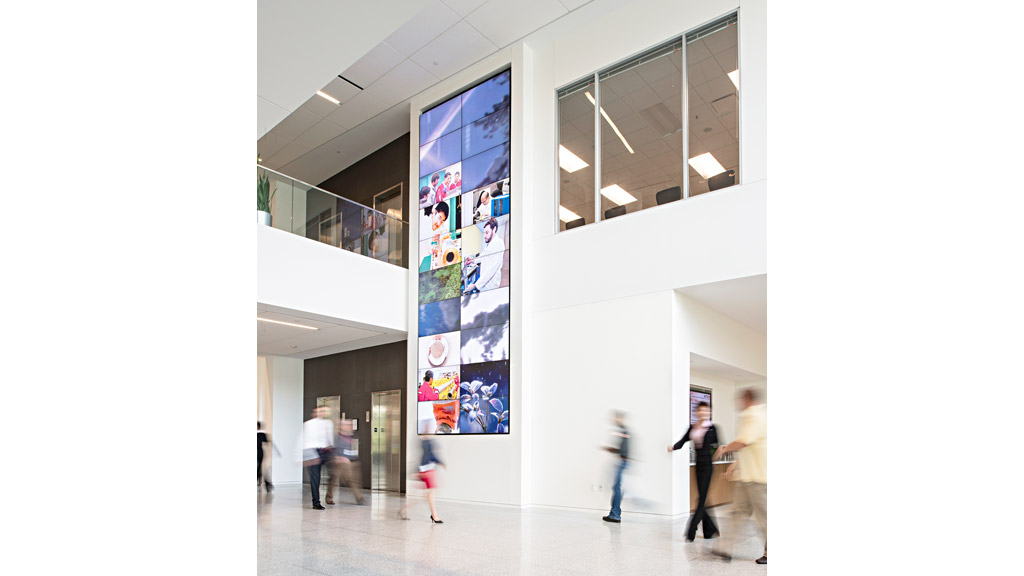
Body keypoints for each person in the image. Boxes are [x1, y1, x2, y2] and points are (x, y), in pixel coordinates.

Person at [713, 389, 767, 565]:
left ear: (747, 400)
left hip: (759, 478)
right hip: (747, 477)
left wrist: (724, 449)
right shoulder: (758, 415)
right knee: (737, 512)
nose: (738, 403)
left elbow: (744, 441)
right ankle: (725, 547)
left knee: (764, 517)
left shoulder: (754, 416)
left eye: (740, 400)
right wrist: (735, 465)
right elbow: (751, 447)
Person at [668, 402, 719, 541]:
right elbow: (683, 440)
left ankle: (691, 530)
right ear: (697, 412)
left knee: (701, 499)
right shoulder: (693, 427)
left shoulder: (712, 428)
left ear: (709, 412)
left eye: (706, 411)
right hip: (698, 465)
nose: (704, 413)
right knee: (702, 498)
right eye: (701, 411)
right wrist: (673, 447)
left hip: (707, 466)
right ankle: (710, 530)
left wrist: (714, 457)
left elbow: (718, 446)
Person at [400, 436, 447, 523]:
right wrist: (440, 462)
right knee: (427, 495)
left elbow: (430, 455)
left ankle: (433, 514)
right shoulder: (426, 441)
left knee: (427, 495)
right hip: (426, 471)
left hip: (428, 470)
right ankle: (433, 515)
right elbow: (428, 455)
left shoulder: (427, 439)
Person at [302, 406, 335, 510]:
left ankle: (329, 497)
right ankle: (316, 503)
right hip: (314, 451)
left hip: (327, 452)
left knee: (333, 474)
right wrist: (308, 456)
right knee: (316, 478)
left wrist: (332, 450)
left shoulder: (329, 423)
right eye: (320, 411)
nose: (323, 413)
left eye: (325, 411)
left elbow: (330, 439)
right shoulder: (309, 424)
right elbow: (305, 440)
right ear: (315, 412)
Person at [602, 411, 631, 523]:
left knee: (617, 489)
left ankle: (615, 515)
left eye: (617, 418)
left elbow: (621, 449)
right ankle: (614, 513)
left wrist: (608, 449)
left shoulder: (623, 431)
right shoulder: (624, 431)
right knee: (618, 488)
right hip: (623, 462)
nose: (614, 420)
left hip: (622, 462)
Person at [464, 218, 505, 293]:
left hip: (491, 286)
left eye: (487, 232)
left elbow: (491, 269)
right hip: (484, 285)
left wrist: (475, 285)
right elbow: (482, 257)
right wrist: (472, 261)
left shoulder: (498, 243)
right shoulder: (489, 244)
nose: (484, 236)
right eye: (484, 233)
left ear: (494, 229)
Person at [333, 420, 364, 505]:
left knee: (356, 480)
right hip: (342, 462)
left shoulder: (354, 437)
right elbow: (334, 450)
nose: (348, 427)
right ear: (341, 426)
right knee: (335, 480)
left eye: (350, 425)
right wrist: (340, 458)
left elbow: (355, 449)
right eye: (346, 425)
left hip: (354, 461)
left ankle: (359, 498)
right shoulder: (337, 438)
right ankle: (359, 498)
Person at [257, 421, 275, 492]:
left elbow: (267, 441)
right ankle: (267, 484)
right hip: (259, 452)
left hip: (259, 453)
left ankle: (267, 483)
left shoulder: (261, 434)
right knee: (259, 469)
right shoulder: (261, 434)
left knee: (259, 468)